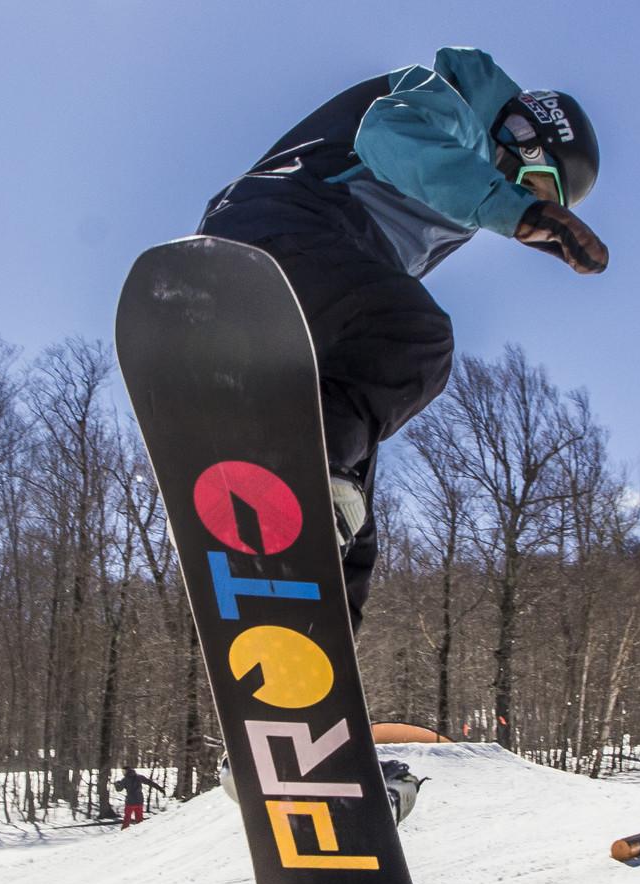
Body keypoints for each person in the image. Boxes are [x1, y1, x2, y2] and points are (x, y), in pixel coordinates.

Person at [198, 47, 608, 629]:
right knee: (416, 339)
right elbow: (389, 136)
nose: (533, 206)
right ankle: (294, 479)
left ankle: (306, 668)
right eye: (539, 188)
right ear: (526, 142)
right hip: (277, 229)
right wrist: (514, 210)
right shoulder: (448, 104)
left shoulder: (465, 204)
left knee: (355, 527)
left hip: (312, 278)